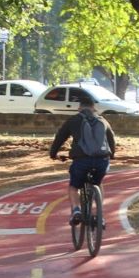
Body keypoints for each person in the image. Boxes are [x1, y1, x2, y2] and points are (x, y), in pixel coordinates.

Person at [49, 92, 116, 225]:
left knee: (74, 186)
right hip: (102, 161)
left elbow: (60, 138)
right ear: (94, 108)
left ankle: (76, 210)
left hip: (81, 161)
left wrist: (53, 153)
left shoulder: (73, 120)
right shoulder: (103, 120)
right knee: (98, 183)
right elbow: (111, 139)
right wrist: (112, 155)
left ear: (79, 108)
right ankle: (99, 215)